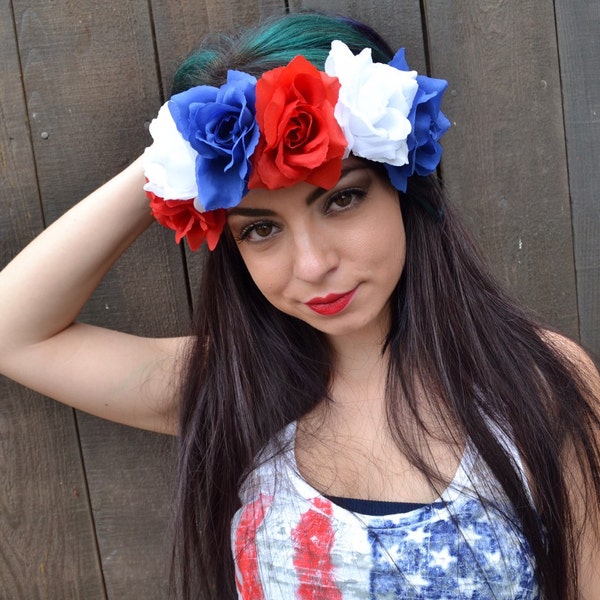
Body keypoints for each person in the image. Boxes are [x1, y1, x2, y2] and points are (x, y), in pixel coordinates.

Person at [0, 11, 598, 600]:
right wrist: (181, 150)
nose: (311, 265)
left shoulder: (539, 384)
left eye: (341, 200)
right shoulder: (229, 387)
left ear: (404, 186)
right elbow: (13, 332)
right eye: (260, 229)